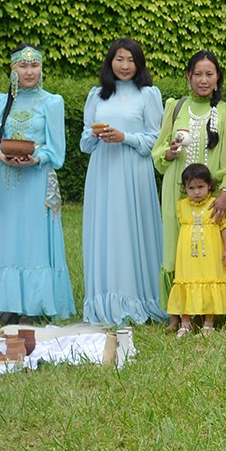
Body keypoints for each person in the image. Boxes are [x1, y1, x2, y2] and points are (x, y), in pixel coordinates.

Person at [0, 46, 74, 321]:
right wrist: (0, 155)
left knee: (34, 239)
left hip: (37, 181)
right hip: (7, 182)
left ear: (42, 68)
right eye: (23, 66)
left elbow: (57, 151)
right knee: (7, 238)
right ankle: (8, 303)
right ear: (13, 70)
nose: (29, 71)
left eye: (35, 65)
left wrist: (37, 157)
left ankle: (36, 302)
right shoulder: (1, 101)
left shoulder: (52, 102)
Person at [80, 38, 167, 325]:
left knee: (134, 229)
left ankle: (141, 298)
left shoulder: (149, 94)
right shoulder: (97, 95)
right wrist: (95, 136)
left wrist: (124, 137)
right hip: (102, 171)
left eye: (131, 60)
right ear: (110, 62)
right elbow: (84, 144)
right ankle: (106, 299)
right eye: (119, 59)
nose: (125, 65)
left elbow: (155, 139)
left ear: (139, 63)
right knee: (105, 231)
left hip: (134, 171)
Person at [154, 51, 226, 319]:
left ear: (217, 78)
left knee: (214, 248)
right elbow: (158, 152)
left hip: (215, 193)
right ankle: (178, 312)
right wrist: (168, 153)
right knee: (177, 245)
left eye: (209, 74)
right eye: (198, 74)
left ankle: (215, 309)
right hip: (177, 189)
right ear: (188, 76)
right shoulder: (176, 107)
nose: (203, 80)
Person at [168, 163, 226, 335]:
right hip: (189, 257)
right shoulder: (182, 205)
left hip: (211, 255)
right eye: (191, 188)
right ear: (185, 188)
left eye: (201, 187)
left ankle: (208, 322)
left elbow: (225, 227)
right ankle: (185, 323)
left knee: (209, 280)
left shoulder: (217, 204)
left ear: (209, 186)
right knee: (188, 282)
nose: (196, 192)